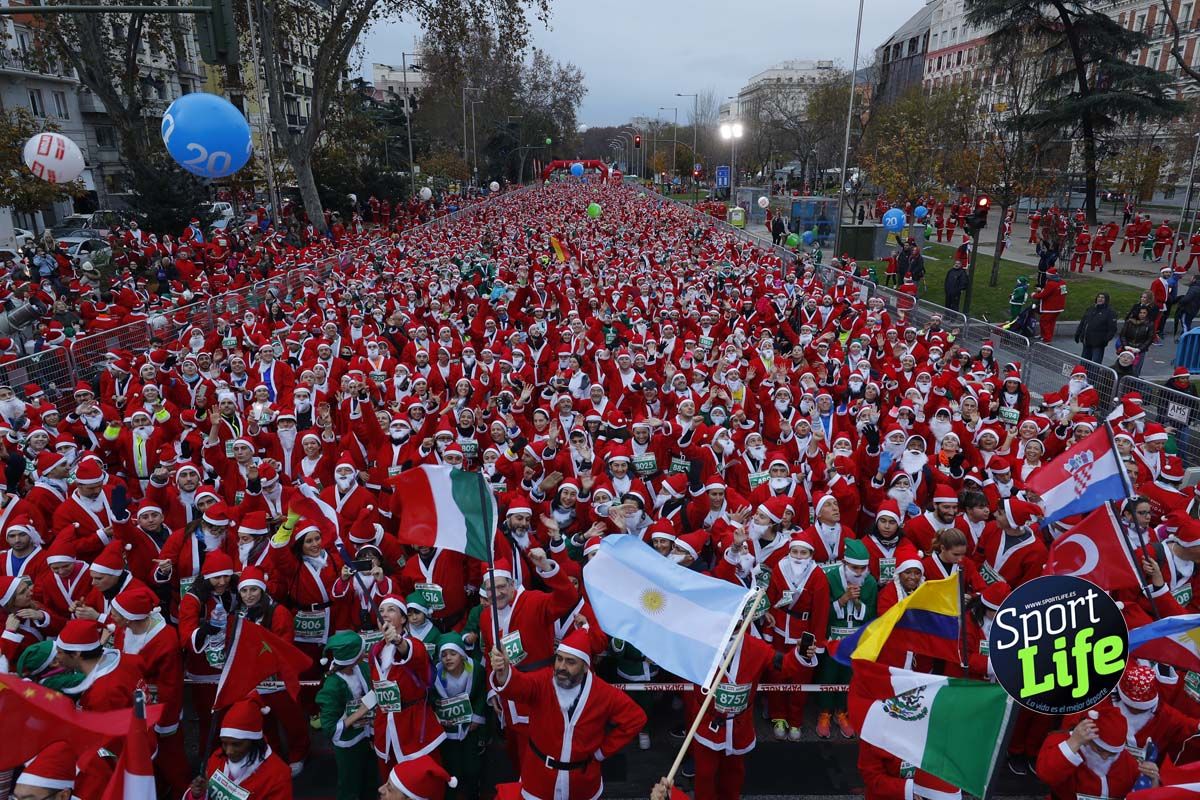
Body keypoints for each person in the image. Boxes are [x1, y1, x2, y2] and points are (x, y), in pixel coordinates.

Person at [488, 628, 646, 800]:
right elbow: (519, 685)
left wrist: (601, 752)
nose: (562, 667)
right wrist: (504, 673)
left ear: (585, 667)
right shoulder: (543, 681)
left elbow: (635, 718)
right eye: (559, 659)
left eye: (570, 662)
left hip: (582, 785)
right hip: (539, 781)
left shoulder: (603, 693)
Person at [198, 695, 294, 800]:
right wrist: (195, 795)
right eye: (224, 743)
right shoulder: (217, 756)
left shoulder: (278, 776)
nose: (229, 751)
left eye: (236, 744)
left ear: (254, 741)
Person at [1075, 292, 1118, 363]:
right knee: (1084, 362)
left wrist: (1105, 340)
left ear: (1106, 300)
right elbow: (1083, 322)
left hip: (1098, 344)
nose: (1100, 299)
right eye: (1099, 297)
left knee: (1095, 363)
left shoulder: (1110, 312)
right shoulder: (1090, 309)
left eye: (1102, 297)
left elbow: (1112, 329)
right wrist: (1078, 333)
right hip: (1086, 341)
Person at [1120, 307, 1156, 375]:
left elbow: (1150, 338)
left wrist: (1140, 349)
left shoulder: (1149, 324)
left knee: (1135, 369)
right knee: (1123, 367)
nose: (1142, 314)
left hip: (1139, 351)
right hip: (1127, 348)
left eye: (1144, 313)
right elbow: (1123, 335)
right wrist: (1125, 346)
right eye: (1140, 313)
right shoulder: (1129, 322)